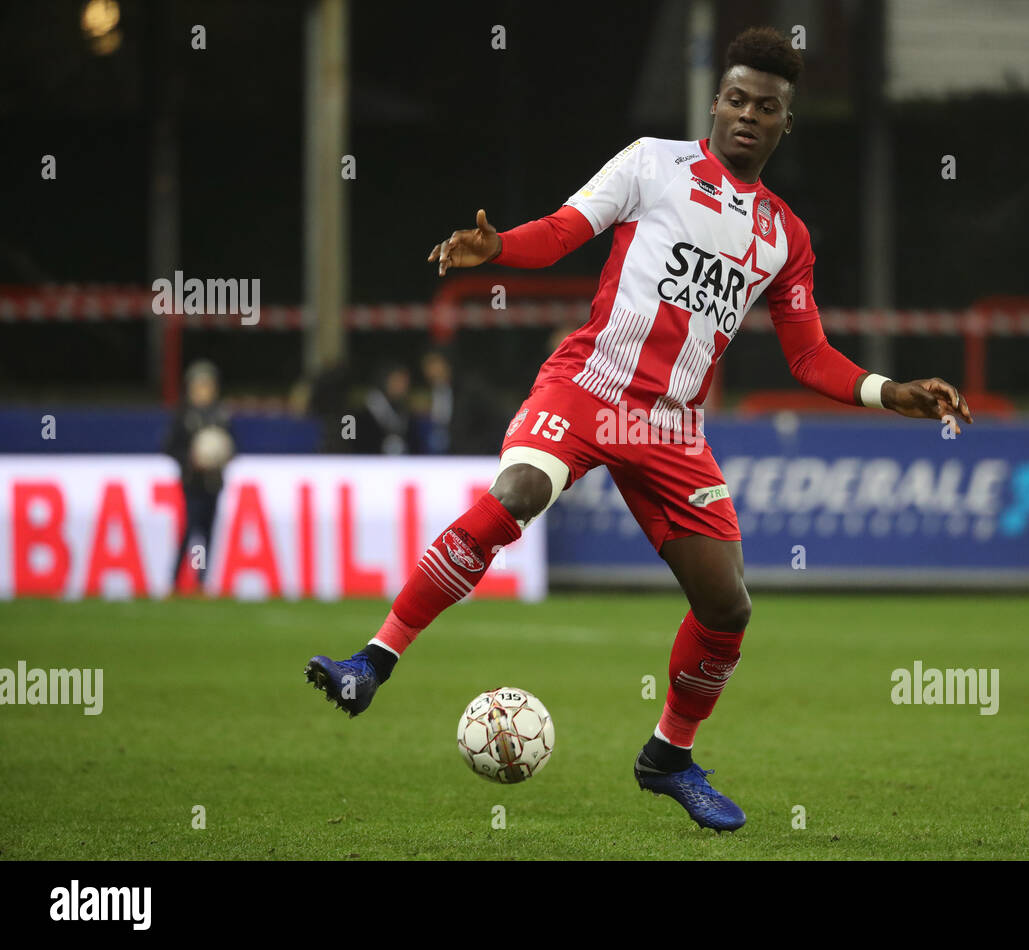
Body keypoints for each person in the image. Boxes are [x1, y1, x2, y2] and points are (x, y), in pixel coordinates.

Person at [306, 26, 972, 832]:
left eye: (766, 107)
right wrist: (498, 248)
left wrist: (887, 391)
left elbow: (809, 356)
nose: (747, 116)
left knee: (727, 607)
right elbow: (562, 231)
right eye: (735, 99)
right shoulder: (652, 162)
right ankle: (370, 663)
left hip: (671, 429)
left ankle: (667, 757)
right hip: (590, 389)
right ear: (716, 102)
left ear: (784, 123)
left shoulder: (784, 237)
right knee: (515, 492)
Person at [164, 360, 234, 592]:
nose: (204, 390)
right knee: (190, 530)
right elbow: (169, 446)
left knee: (208, 532)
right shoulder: (184, 415)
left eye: (208, 385)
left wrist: (223, 455)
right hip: (192, 483)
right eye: (200, 385)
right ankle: (175, 580)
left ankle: (201, 581)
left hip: (213, 483)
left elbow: (234, 446)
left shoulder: (221, 415)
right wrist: (191, 459)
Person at [354, 363, 417, 455]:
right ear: (386, 381)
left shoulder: (406, 409)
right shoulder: (364, 411)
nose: (403, 386)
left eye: (405, 382)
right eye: (398, 381)